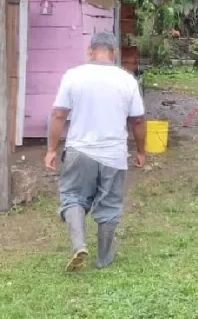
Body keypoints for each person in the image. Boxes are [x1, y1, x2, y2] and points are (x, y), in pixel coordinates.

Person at [45, 32, 147, 272]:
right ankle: (103, 258)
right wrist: (142, 151)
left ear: (90, 51)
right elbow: (139, 121)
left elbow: (59, 114)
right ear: (114, 53)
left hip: (79, 151)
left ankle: (79, 245)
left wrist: (51, 149)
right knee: (110, 203)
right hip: (114, 154)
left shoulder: (73, 76)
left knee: (72, 196)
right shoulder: (127, 80)